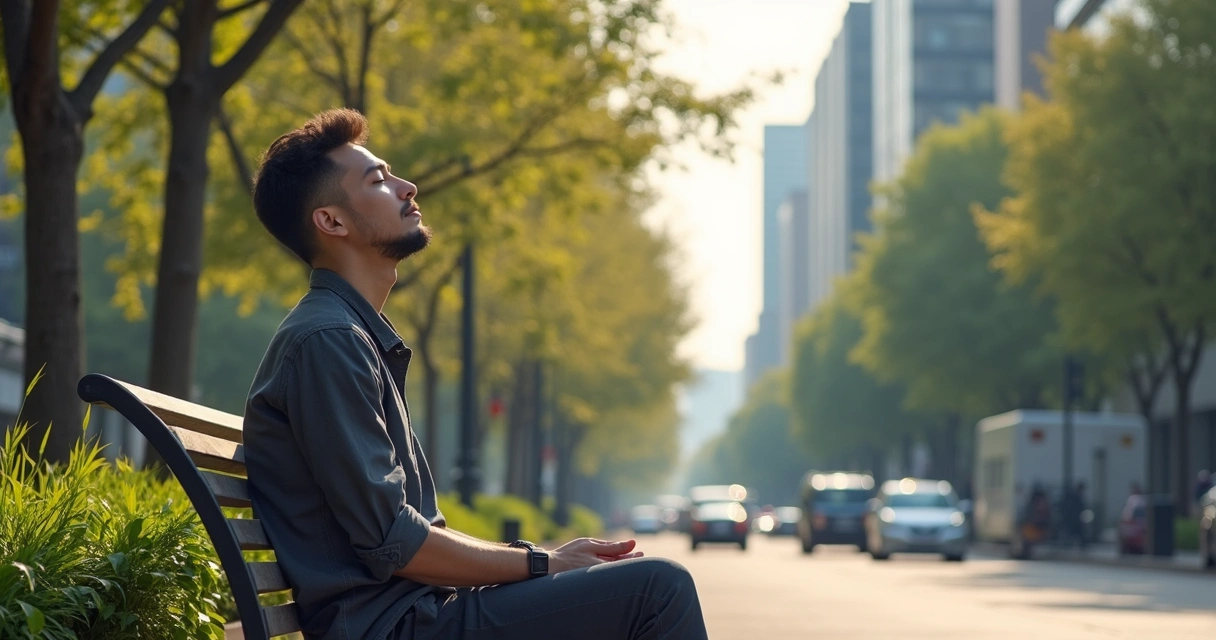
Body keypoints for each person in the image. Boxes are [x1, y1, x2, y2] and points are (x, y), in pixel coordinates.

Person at [242, 109, 708, 640]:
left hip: (415, 615)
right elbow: (394, 541)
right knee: (657, 589)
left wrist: (542, 559)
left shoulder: (346, 335)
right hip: (395, 628)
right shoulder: (329, 342)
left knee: (645, 588)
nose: (407, 186)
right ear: (332, 221)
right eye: (378, 180)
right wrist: (542, 564)